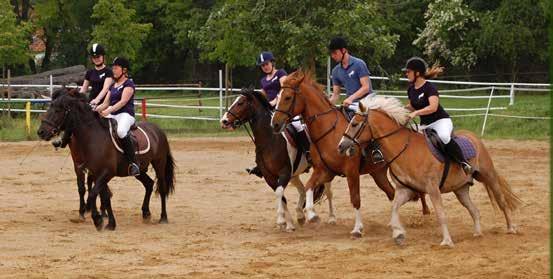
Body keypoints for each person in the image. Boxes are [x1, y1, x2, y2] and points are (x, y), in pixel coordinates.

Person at [403, 57, 473, 178]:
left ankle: (464, 163)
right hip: (425, 125)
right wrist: (401, 110)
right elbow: (412, 106)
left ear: (417, 73)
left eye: (408, 71)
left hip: (440, 121)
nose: (406, 74)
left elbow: (433, 107)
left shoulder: (429, 87)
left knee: (444, 137)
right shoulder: (411, 89)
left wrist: (416, 113)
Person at [246, 51, 311, 178]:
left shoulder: (280, 73)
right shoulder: (263, 80)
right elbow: (263, 95)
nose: (265, 67)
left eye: (266, 64)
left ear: (272, 63)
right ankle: (261, 164)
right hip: (272, 111)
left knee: (298, 126)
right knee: (261, 133)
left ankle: (308, 153)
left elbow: (284, 90)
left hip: (285, 109)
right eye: (262, 65)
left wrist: (275, 102)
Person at [95, 57, 140, 176]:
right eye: (113, 68)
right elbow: (105, 103)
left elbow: (123, 102)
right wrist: (95, 109)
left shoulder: (129, 84)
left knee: (120, 131)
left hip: (126, 114)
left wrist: (108, 110)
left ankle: (133, 163)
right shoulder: (113, 86)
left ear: (124, 70)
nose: (113, 70)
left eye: (116, 68)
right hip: (113, 114)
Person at [328, 37, 373, 113]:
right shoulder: (335, 71)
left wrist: (350, 98)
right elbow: (335, 95)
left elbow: (366, 87)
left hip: (367, 101)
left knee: (360, 118)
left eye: (335, 53)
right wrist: (325, 105)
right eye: (331, 53)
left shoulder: (359, 64)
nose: (332, 56)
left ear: (343, 50)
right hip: (351, 104)